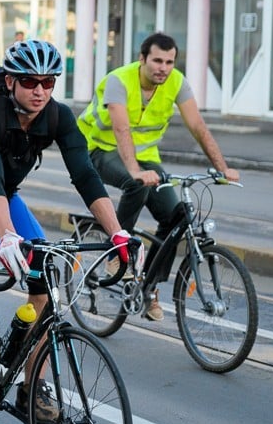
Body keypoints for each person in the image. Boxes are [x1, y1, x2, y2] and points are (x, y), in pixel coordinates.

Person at [0, 40, 131, 423]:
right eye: (30, 81)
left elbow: (85, 176)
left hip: (2, 194)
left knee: (45, 275)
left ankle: (29, 384)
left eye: (49, 82)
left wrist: (118, 232)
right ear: (10, 82)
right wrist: (7, 238)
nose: (40, 90)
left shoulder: (58, 117)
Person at [78, 32, 239, 321]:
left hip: (146, 156)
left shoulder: (177, 82)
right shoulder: (119, 80)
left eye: (169, 61)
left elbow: (198, 126)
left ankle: (149, 287)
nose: (163, 67)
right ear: (142, 59)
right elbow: (121, 130)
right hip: (99, 149)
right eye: (157, 60)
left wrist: (222, 167)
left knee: (176, 216)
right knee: (135, 184)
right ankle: (117, 253)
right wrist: (135, 171)